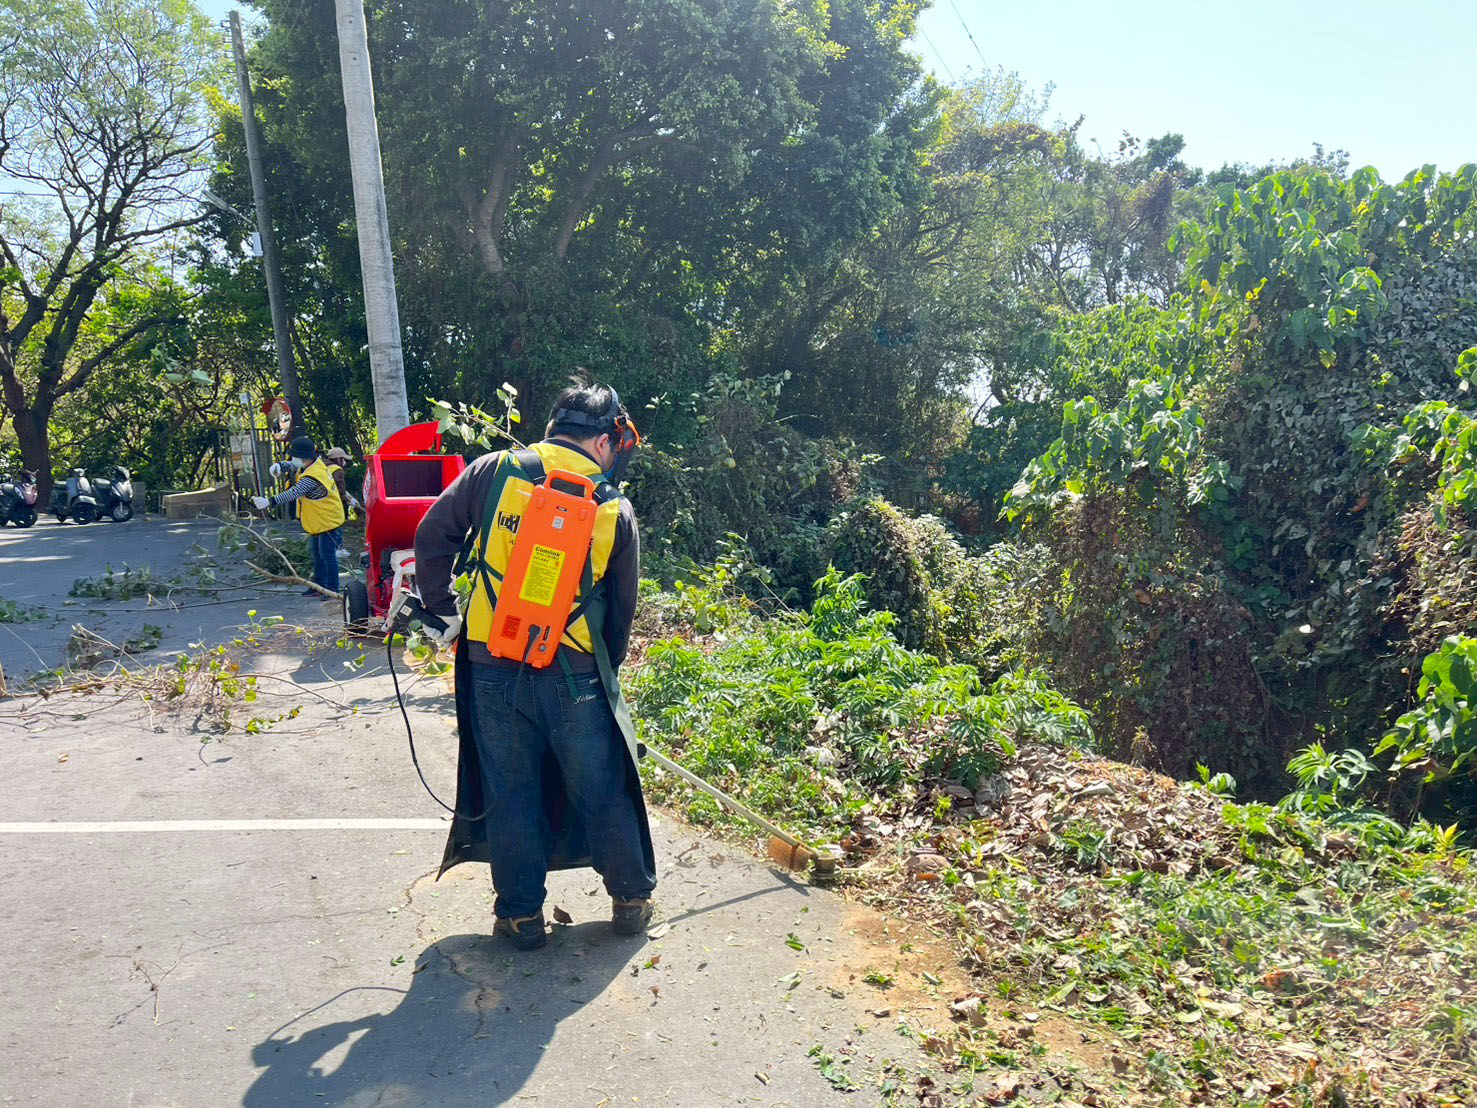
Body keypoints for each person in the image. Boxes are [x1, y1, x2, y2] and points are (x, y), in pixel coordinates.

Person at [413, 382, 654, 951]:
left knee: (511, 789)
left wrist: (440, 610)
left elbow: (432, 536)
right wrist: (604, 676)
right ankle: (630, 898)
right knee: (601, 785)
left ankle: (520, 918)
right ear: (602, 441)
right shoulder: (615, 508)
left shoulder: (492, 471)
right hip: (574, 673)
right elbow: (620, 613)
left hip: (492, 663)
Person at [252, 436, 345, 596]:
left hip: (327, 521)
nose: (293, 460)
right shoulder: (314, 464)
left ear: (304, 458)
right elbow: (295, 466)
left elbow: (293, 493)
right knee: (316, 556)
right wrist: (280, 466)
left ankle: (332, 589)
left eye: (295, 457)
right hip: (318, 520)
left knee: (327, 556)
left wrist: (268, 501)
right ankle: (318, 586)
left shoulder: (312, 478)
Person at [322, 448, 362, 562]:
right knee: (337, 524)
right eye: (343, 459)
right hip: (335, 503)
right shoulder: (337, 470)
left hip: (323, 502)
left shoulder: (322, 467)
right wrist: (348, 500)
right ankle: (338, 548)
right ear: (338, 459)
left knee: (328, 527)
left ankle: (332, 548)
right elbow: (340, 489)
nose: (344, 462)